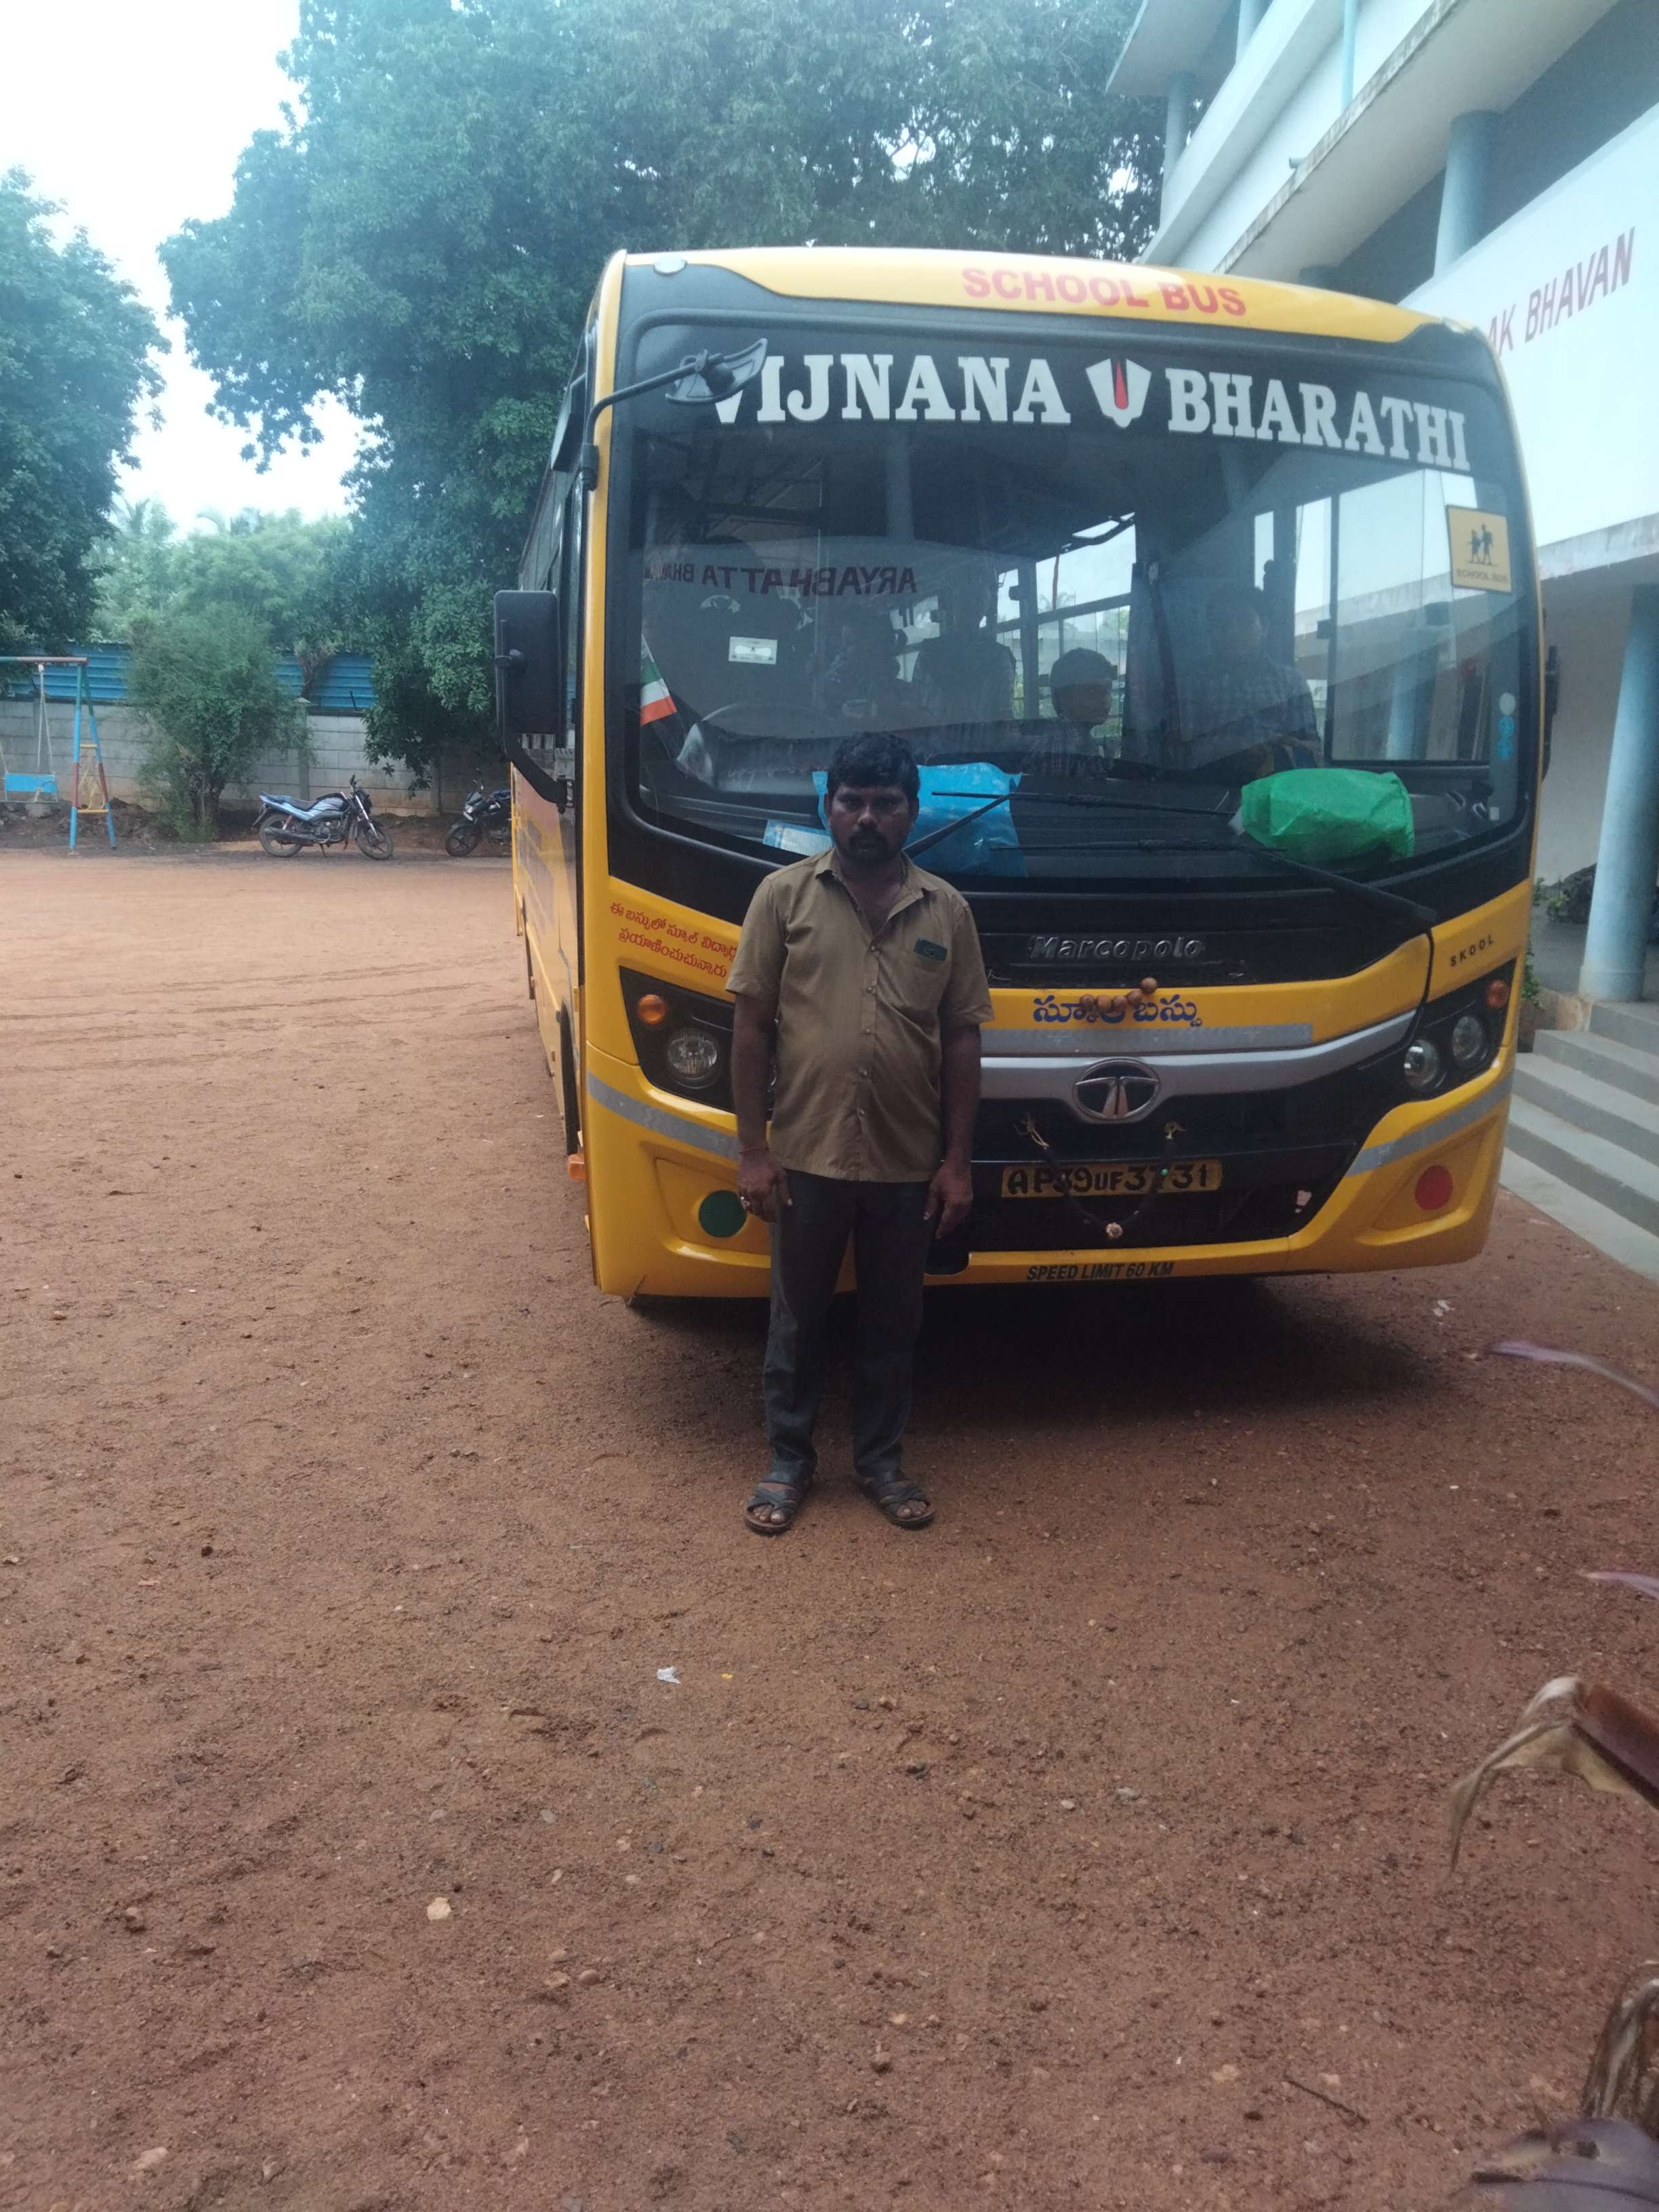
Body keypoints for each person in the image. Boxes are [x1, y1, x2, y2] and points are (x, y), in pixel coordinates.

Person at [726, 735, 992, 1536]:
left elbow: (962, 1040)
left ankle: (881, 1462)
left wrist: (957, 1163)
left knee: (892, 1323)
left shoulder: (946, 911)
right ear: (828, 807)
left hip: (907, 1163)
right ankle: (789, 1461)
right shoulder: (783, 897)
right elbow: (751, 1027)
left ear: (912, 812)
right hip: (806, 1157)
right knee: (797, 1320)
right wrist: (753, 1151)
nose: (867, 817)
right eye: (852, 801)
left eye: (885, 803)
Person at [1181, 581, 1321, 783]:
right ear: (1211, 632)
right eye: (1222, 624)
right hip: (1206, 792)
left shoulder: (1291, 683)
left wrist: (1280, 744)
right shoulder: (1193, 682)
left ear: (1264, 627)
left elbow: (1314, 750)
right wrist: (1232, 748)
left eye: (1244, 621)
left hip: (1275, 792)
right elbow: (1180, 751)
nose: (1232, 631)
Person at [912, 575, 1016, 724]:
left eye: (977, 599)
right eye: (965, 598)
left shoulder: (929, 652)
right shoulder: (999, 657)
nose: (971, 605)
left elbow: (1003, 718)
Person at [1024, 647, 1118, 779]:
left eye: (1107, 690)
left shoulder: (1082, 740)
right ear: (1064, 697)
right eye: (1092, 691)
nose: (1105, 699)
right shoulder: (1059, 748)